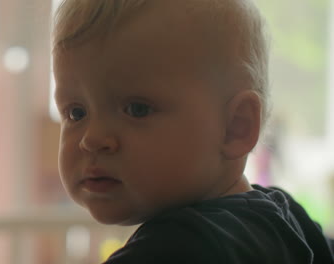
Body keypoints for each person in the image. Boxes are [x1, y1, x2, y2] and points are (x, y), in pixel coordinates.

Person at [51, 0, 334, 263]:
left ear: (236, 128)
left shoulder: (174, 249)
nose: (93, 139)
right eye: (77, 113)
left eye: (137, 109)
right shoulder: (286, 217)